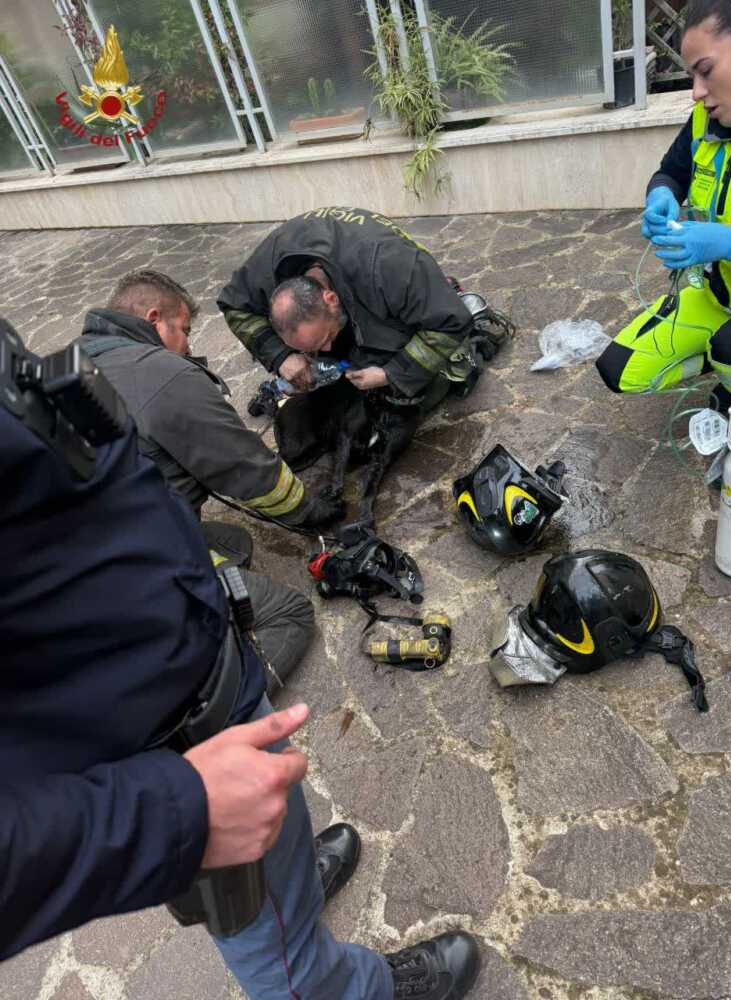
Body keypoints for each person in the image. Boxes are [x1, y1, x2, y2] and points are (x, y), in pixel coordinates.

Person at [0, 315, 481, 1000]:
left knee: (275, 836)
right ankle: (342, 986)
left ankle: (287, 886)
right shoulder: (161, 373)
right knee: (262, 933)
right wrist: (176, 815)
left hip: (195, 676)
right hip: (165, 746)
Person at [75, 268, 334, 692]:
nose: (189, 345)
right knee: (289, 614)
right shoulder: (164, 375)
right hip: (120, 576)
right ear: (156, 319)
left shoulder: (66, 362)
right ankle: (212, 715)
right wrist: (312, 511)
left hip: (71, 550)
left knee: (234, 544)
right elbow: (253, 474)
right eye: (185, 330)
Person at [596, 0, 731, 411]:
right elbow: (672, 171)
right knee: (621, 368)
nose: (697, 92)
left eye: (706, 70)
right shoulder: (706, 121)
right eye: (691, 76)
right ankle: (728, 365)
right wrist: (659, 195)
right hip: (721, 300)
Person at [217, 206, 490, 407]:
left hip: (389, 286)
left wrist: (390, 373)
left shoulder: (392, 266)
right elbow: (234, 306)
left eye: (323, 340)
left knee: (409, 388)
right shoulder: (272, 261)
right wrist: (281, 356)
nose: (321, 353)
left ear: (331, 298)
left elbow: (451, 321)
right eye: (311, 349)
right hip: (351, 277)